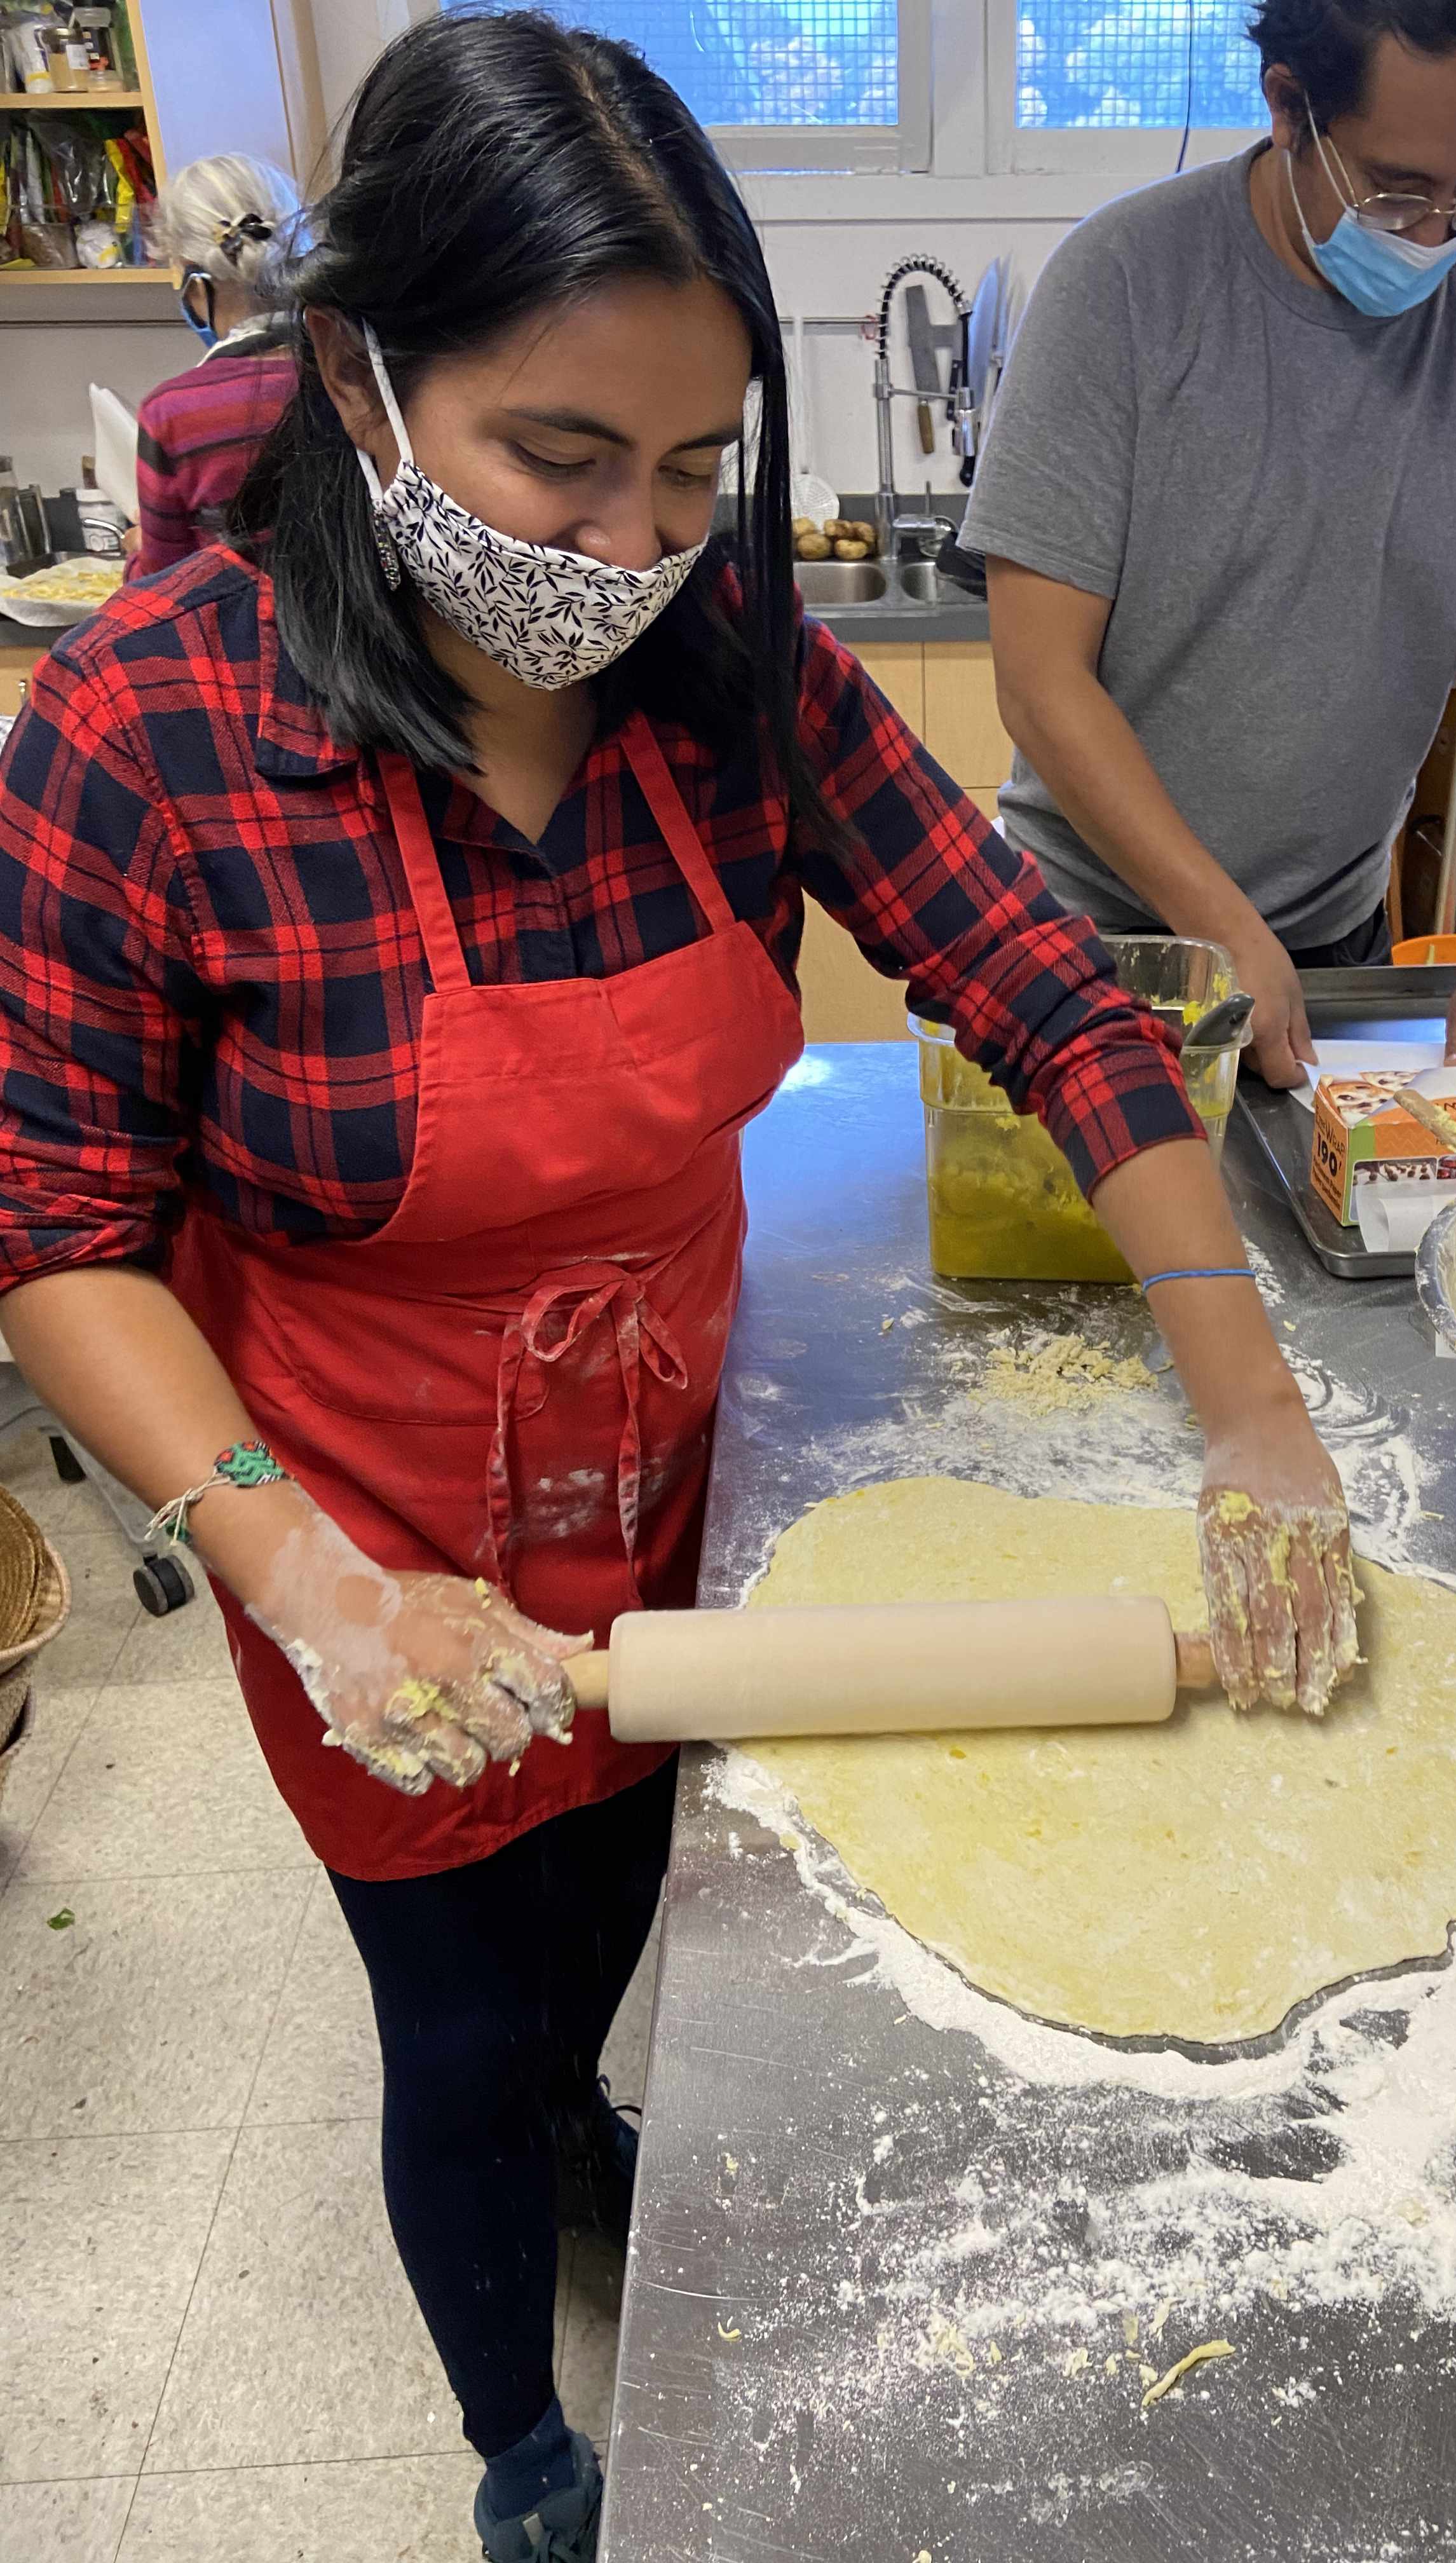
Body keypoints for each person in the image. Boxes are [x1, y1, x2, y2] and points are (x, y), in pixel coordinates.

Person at [0, 15, 1354, 2558]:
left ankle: (577, 2115)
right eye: (559, 459)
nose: (632, 550)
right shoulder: (142, 738)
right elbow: (58, 1233)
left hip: (661, 1494)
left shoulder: (729, 680)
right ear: (356, 381)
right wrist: (297, 1574)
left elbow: (1051, 999)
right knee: (457, 2006)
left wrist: (1253, 1412)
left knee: (614, 1905)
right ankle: (518, 2431)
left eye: (699, 473)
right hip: (364, 1537)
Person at [963, 0, 1456, 1088]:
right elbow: (1039, 680)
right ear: (1285, 107)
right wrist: (1219, 927)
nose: (1433, 229)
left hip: (1327, 941)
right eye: (1395, 186)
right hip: (1091, 929)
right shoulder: (1122, 283)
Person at [128, 153, 299, 578]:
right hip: (367, 637)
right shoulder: (354, 374)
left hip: (240, 639)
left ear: (196, 288)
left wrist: (136, 550)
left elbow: (162, 582)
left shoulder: (172, 412)